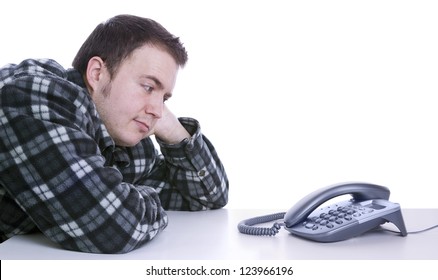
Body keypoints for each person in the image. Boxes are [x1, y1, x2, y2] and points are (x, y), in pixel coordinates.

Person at [0, 14, 228, 254]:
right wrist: (127, 197)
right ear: (97, 73)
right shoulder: (32, 97)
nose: (158, 110)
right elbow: (112, 228)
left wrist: (172, 130)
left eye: (164, 98)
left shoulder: (121, 135)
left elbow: (207, 196)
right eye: (148, 87)